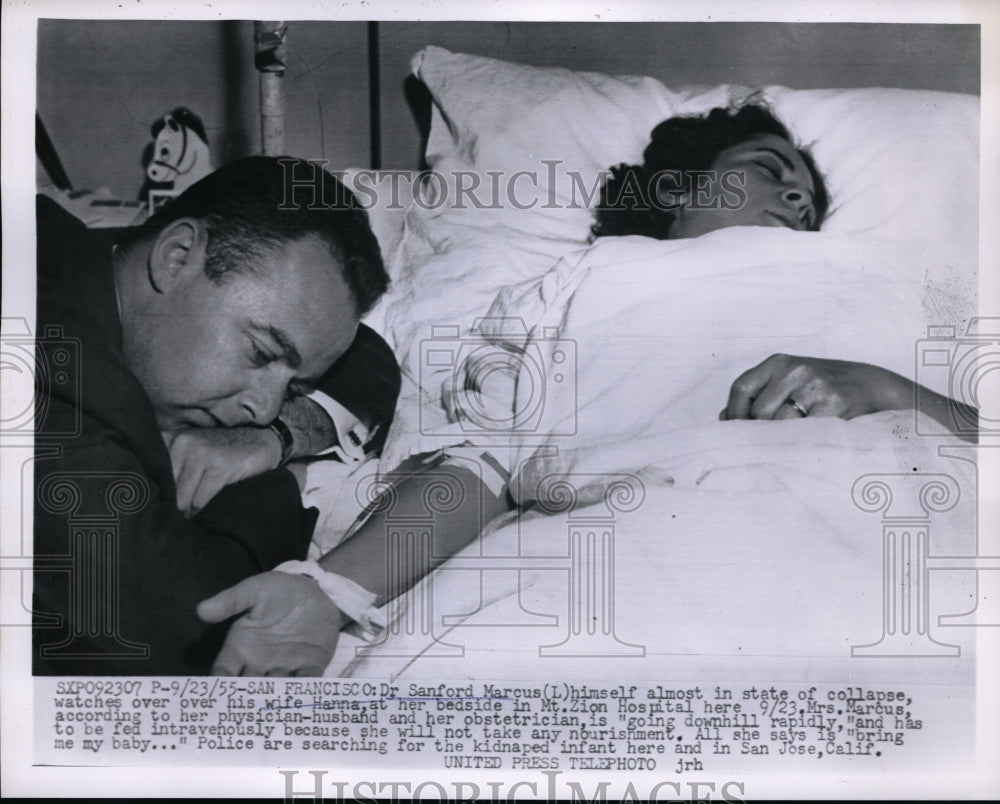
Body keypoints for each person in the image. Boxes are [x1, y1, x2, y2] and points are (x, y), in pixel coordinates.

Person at [200, 103, 976, 677]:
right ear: (677, 190)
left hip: (912, 519)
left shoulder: (896, 278)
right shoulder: (595, 279)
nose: (798, 195)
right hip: (649, 533)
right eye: (767, 167)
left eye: (807, 190)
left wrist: (885, 385)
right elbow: (491, 465)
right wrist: (330, 590)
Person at [33, 156, 399, 675]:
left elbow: (366, 356)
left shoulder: (72, 248)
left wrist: (275, 437)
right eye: (260, 352)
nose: (265, 406)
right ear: (177, 256)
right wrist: (281, 480)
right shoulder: (48, 384)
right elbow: (177, 629)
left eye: (295, 385)